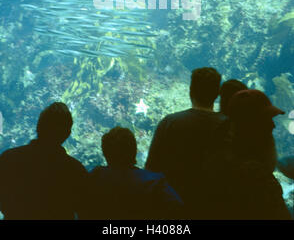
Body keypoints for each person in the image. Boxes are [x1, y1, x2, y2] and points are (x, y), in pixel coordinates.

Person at [145, 67, 225, 219]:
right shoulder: (229, 126)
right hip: (215, 208)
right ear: (217, 94)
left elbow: (151, 170)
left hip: (174, 207)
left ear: (191, 91)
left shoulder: (169, 123)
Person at [212, 89, 291, 220]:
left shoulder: (219, 161)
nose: (273, 125)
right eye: (266, 120)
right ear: (251, 127)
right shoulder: (259, 181)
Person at [0, 102, 88, 220]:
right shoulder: (75, 170)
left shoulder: (8, 158)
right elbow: (84, 209)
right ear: (67, 133)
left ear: (38, 127)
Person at [86, 126, 183, 219]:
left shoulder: (95, 177)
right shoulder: (155, 181)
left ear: (104, 152)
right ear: (135, 150)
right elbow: (177, 209)